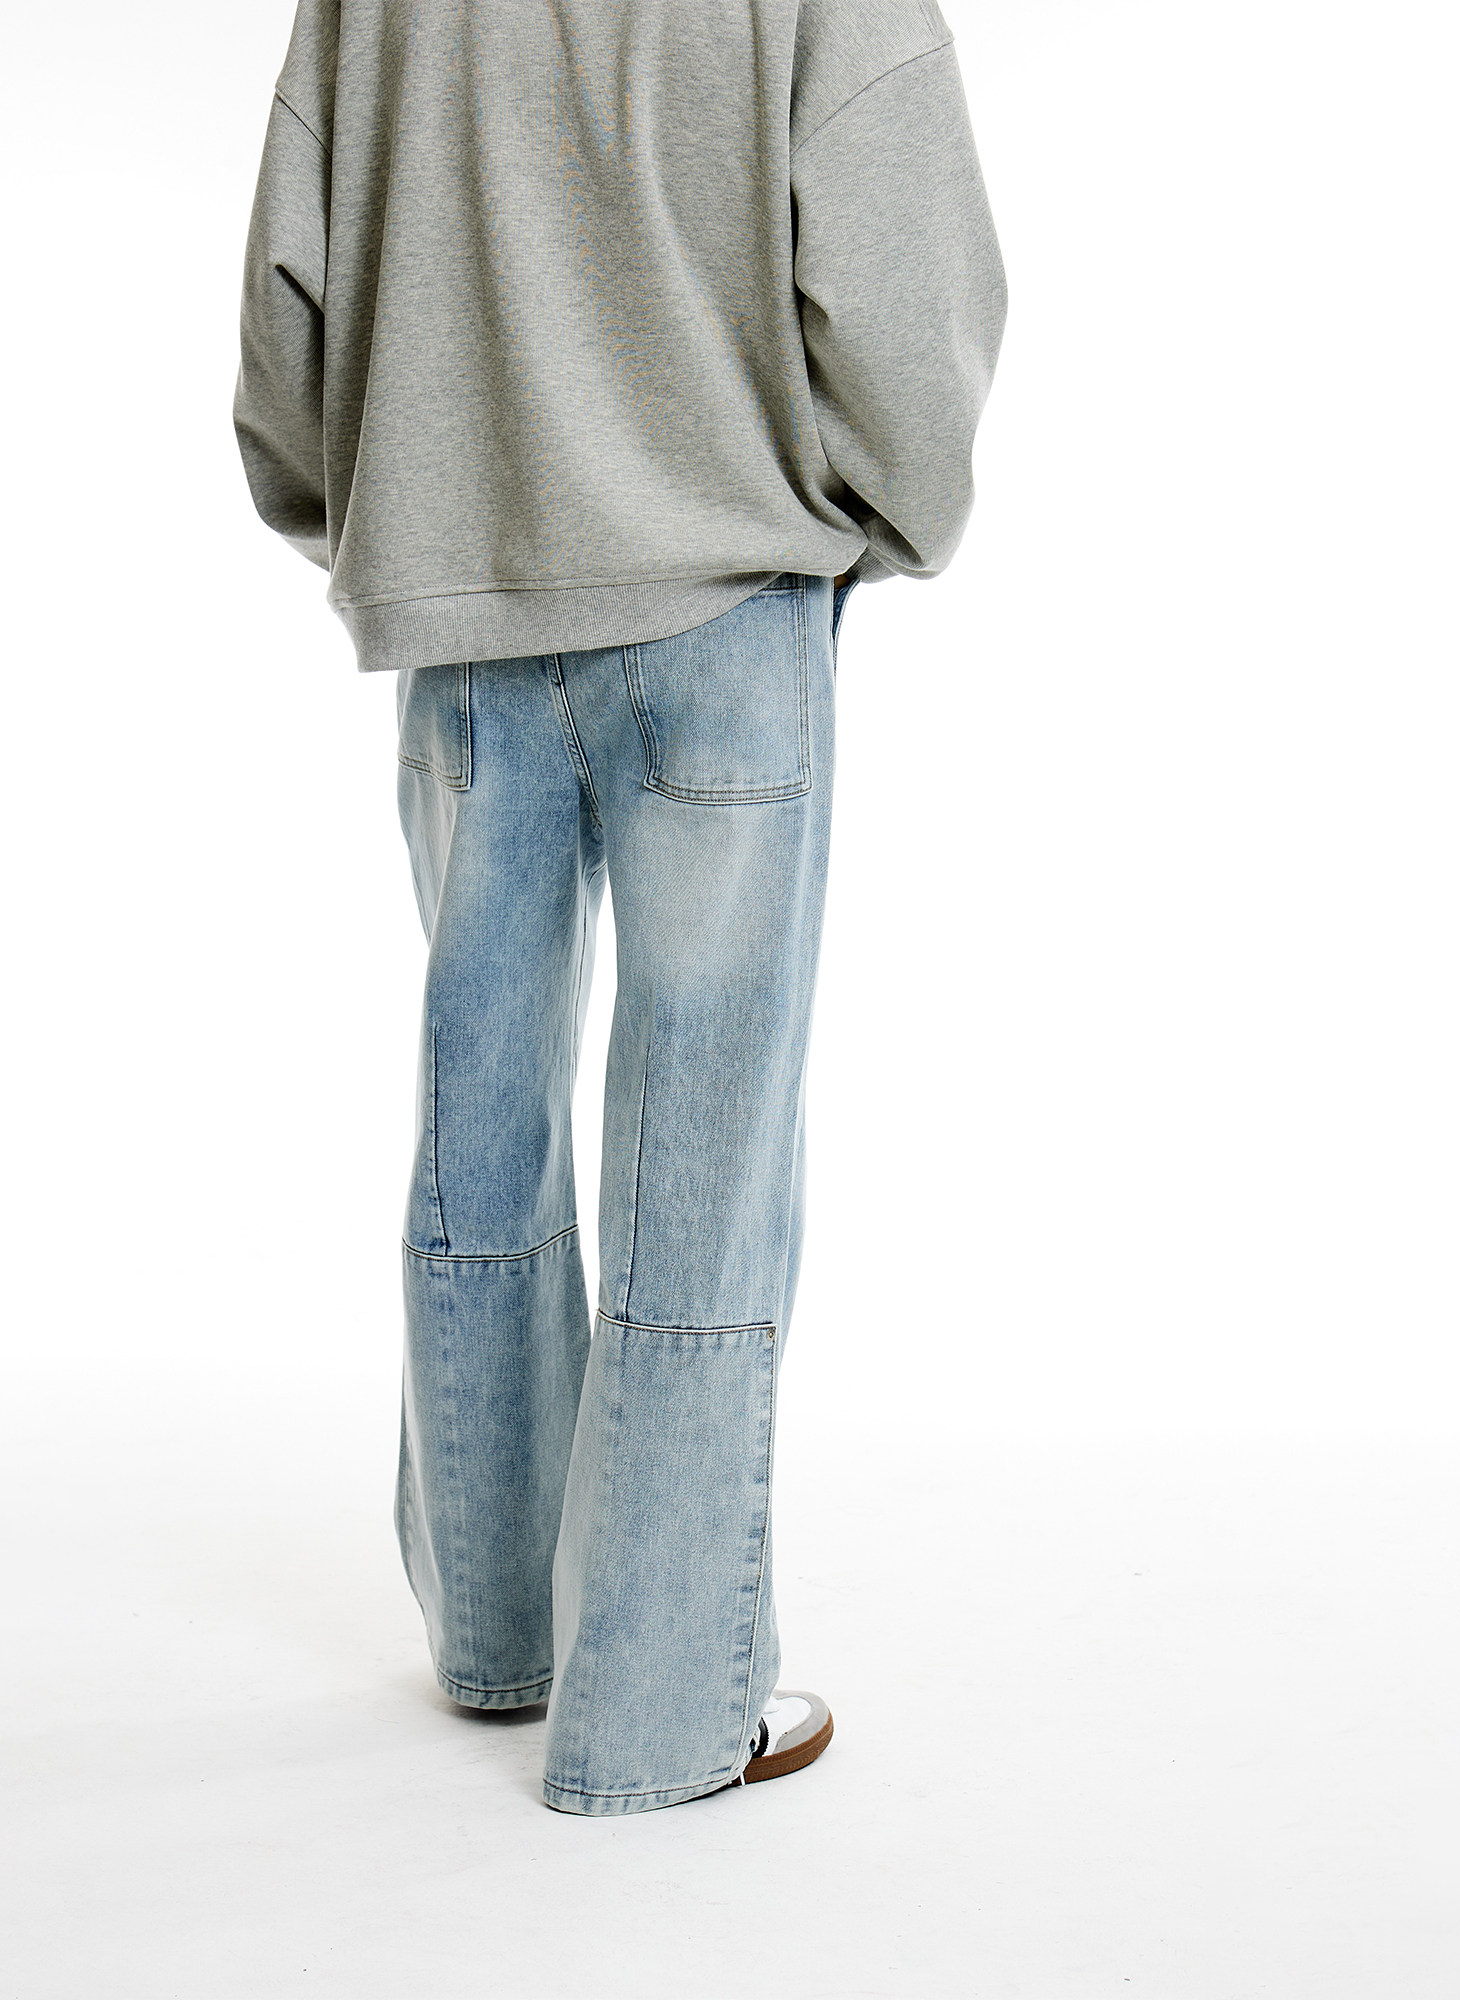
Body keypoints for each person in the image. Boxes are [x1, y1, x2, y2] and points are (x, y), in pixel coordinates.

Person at [234, 0, 1004, 1817]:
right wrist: (875, 519)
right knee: (704, 1171)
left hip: (463, 612)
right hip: (726, 604)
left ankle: (499, 1636)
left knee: (478, 1127)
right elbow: (907, 276)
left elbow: (288, 314)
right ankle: (659, 1714)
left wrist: (396, 526)